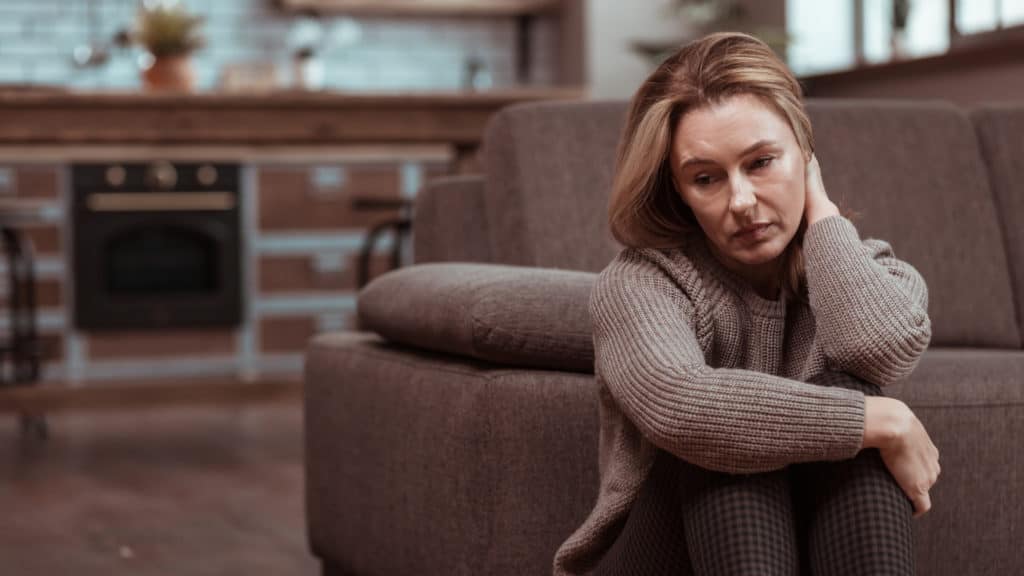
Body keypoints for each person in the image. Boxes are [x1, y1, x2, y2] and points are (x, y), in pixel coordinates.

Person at [552, 32, 940, 576]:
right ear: (678, 191)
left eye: (761, 162)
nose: (740, 201)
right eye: (706, 178)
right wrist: (884, 420)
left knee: (848, 399)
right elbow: (682, 406)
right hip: (657, 558)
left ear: (804, 154)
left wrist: (821, 211)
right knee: (730, 438)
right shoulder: (641, 282)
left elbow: (876, 350)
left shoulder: (868, 267)